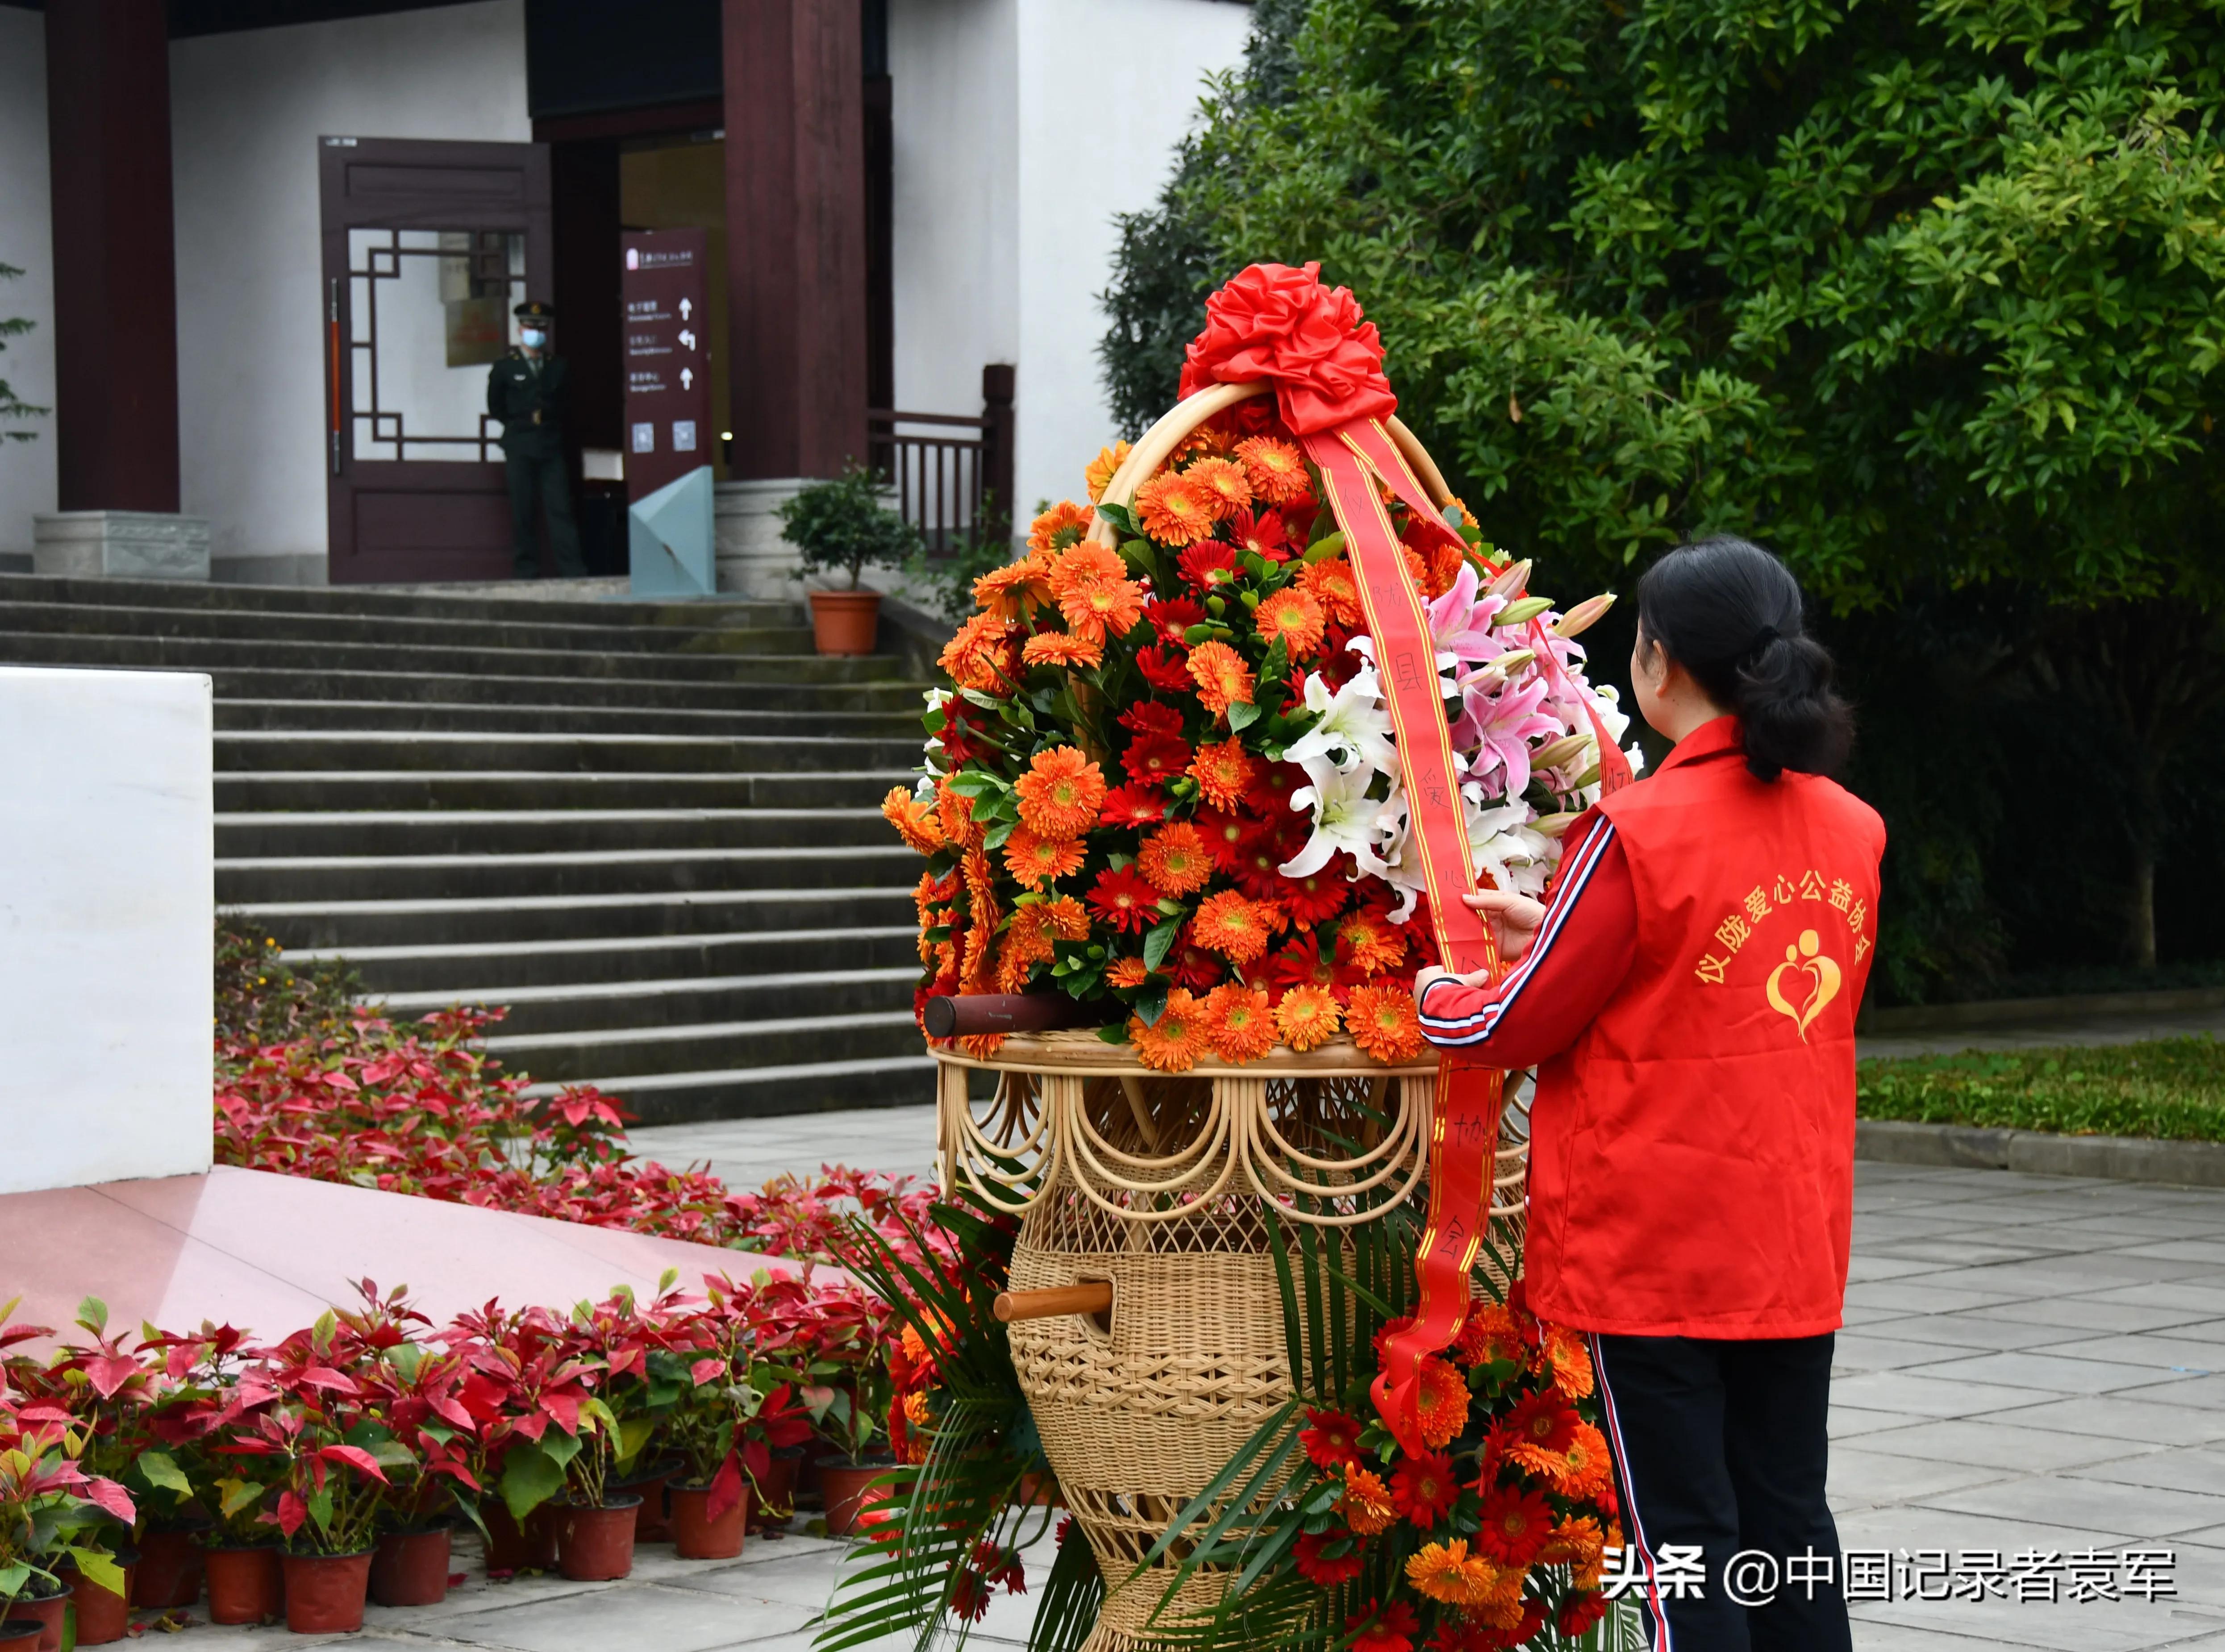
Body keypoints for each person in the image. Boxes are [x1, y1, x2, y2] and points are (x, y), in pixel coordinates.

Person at [1412, 536, 1882, 1652]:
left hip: (1660, 1244)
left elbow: (1515, 1024)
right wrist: (1572, 933)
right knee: (1787, 1523)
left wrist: (1438, 987)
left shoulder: (1638, 829)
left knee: (1686, 1538)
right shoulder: (1852, 828)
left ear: (1659, 663)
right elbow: (1720, 985)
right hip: (1791, 1231)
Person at [487, 299, 586, 579]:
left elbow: (568, 405)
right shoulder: (506, 367)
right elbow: (497, 407)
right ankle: (526, 570)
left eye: (541, 327)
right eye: (531, 326)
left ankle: (573, 570)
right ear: (520, 329)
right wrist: (519, 425)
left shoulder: (558, 366)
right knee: (522, 510)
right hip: (520, 443)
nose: (536, 331)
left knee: (561, 510)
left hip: (551, 444)